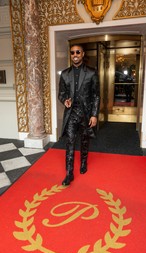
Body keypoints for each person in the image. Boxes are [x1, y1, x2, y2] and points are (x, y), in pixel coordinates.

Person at [58, 44, 100, 186]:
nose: (75, 54)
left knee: (84, 140)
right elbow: (61, 94)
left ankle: (83, 162)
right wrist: (65, 100)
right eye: (72, 52)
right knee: (69, 142)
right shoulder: (64, 74)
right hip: (71, 114)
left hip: (86, 114)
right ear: (70, 55)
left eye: (78, 52)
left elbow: (96, 95)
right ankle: (69, 173)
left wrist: (94, 115)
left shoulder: (91, 72)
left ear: (82, 54)